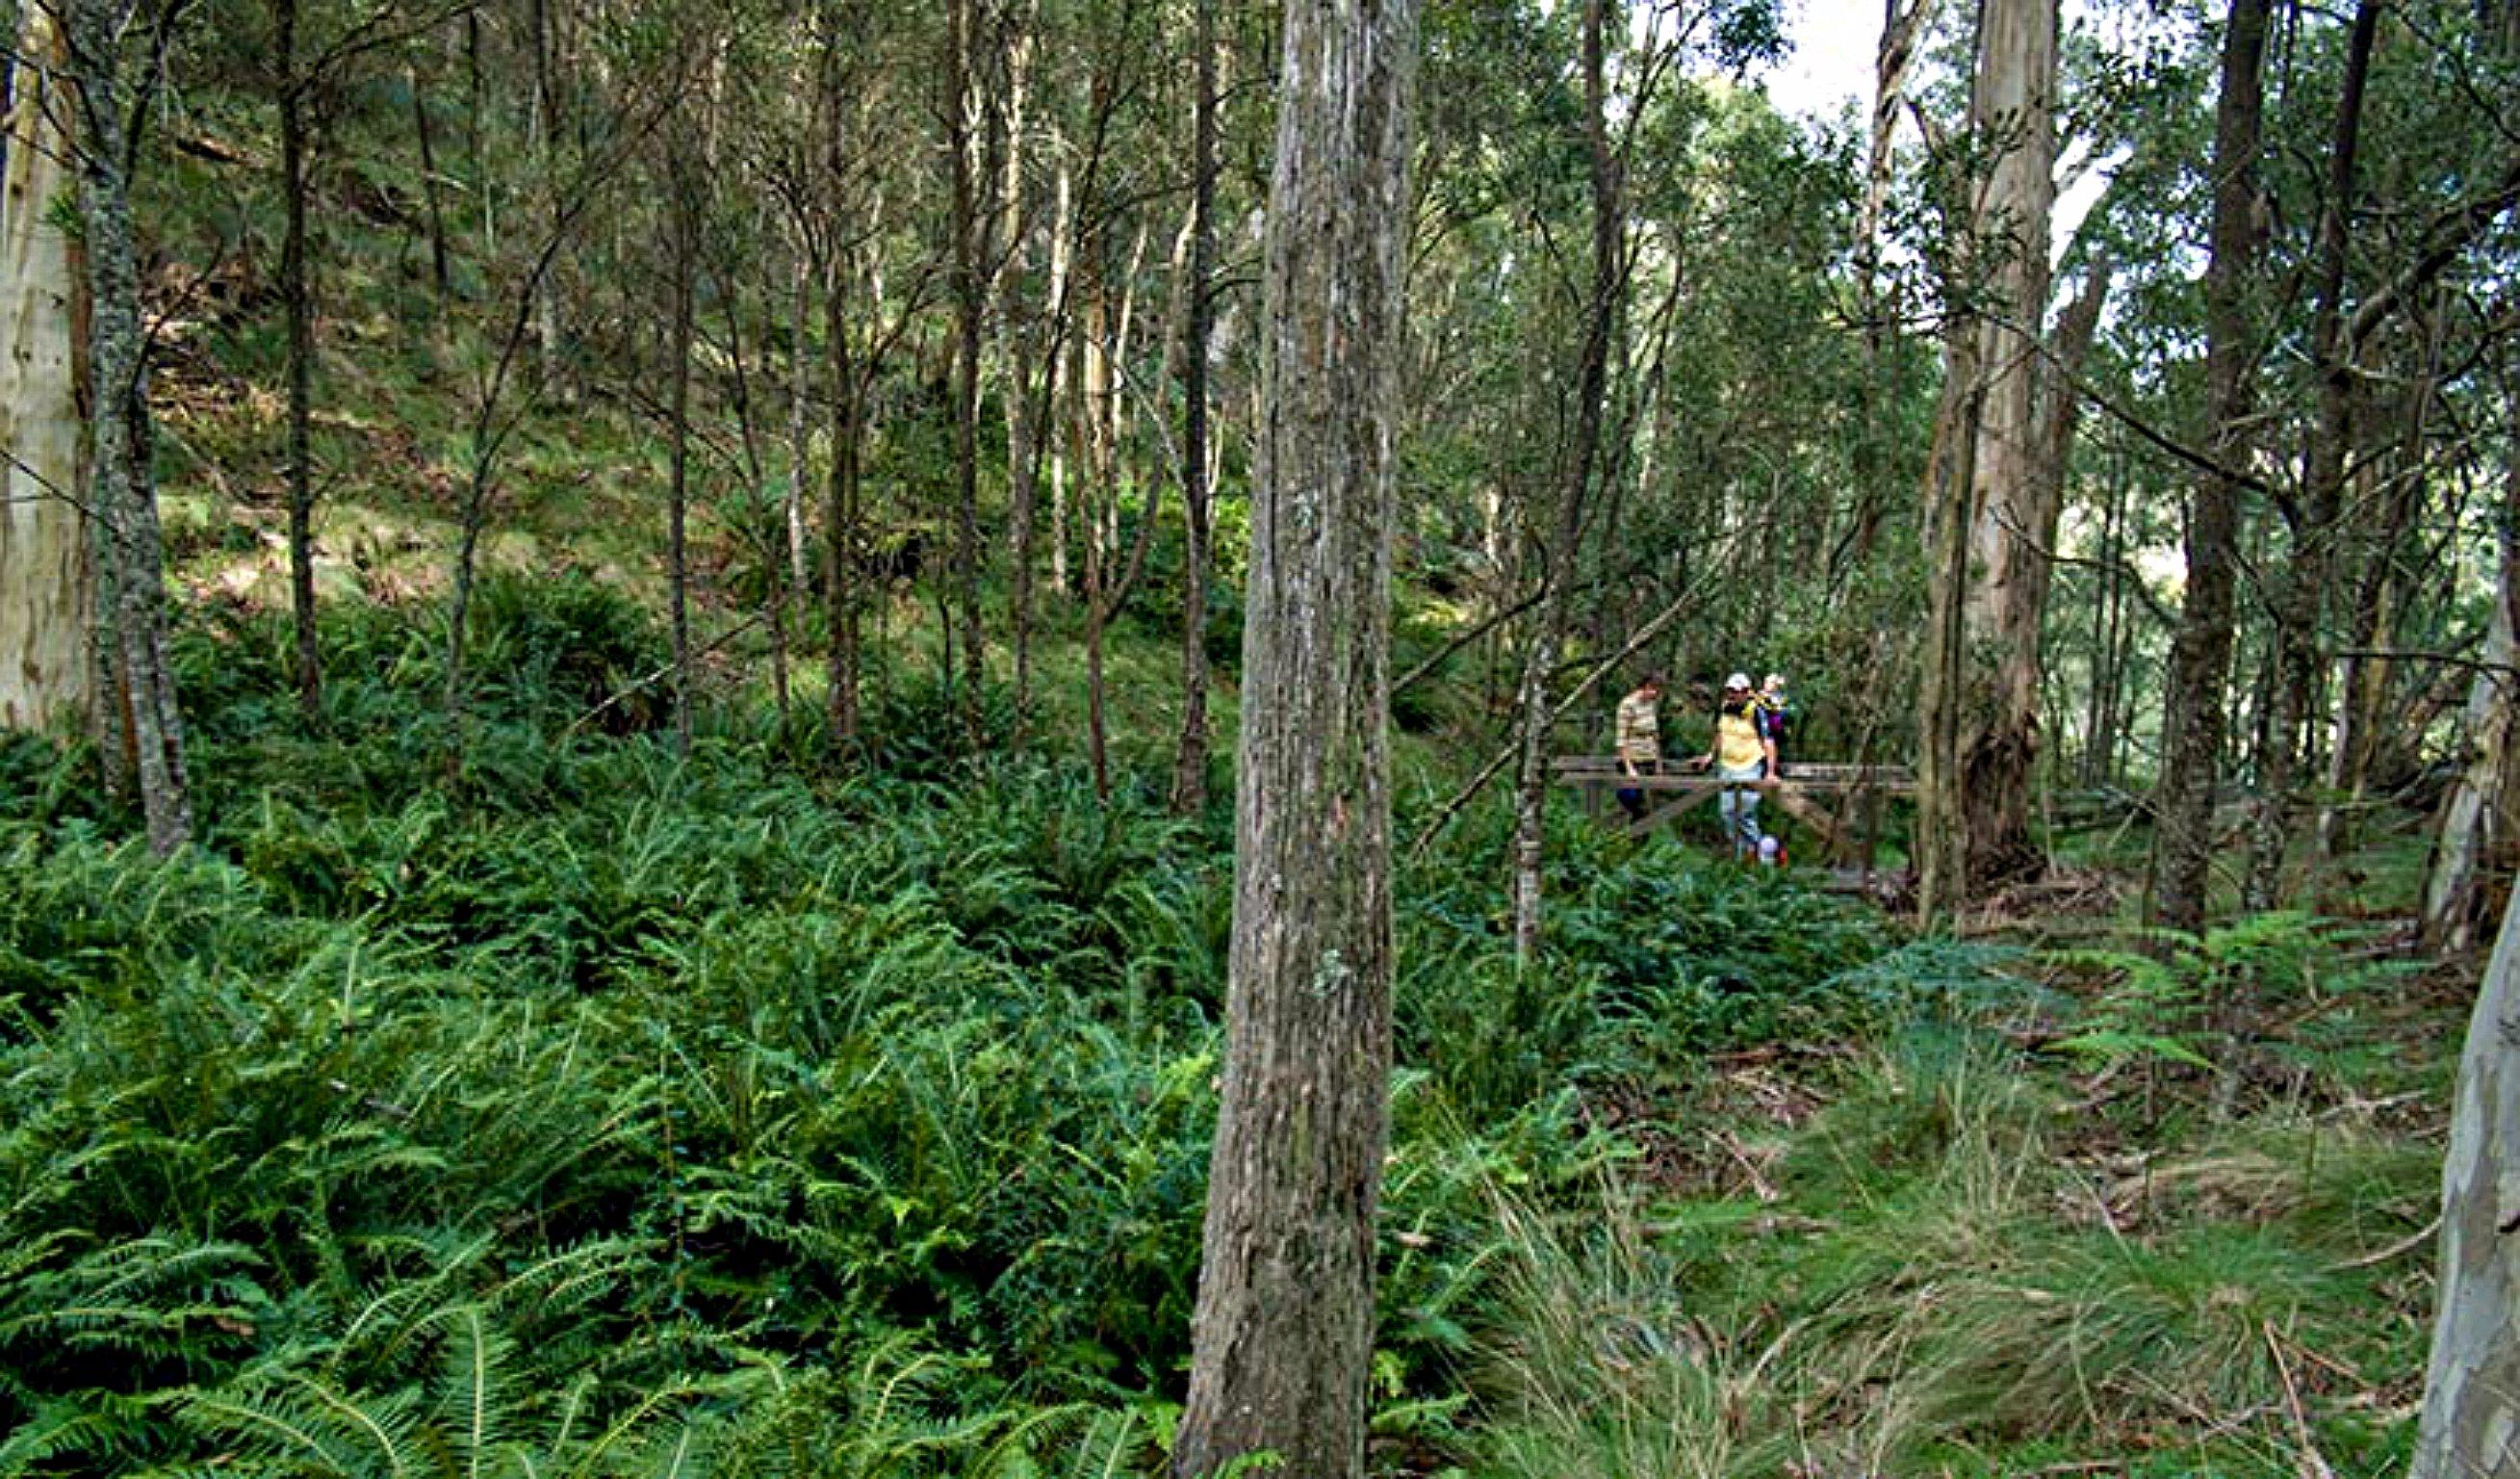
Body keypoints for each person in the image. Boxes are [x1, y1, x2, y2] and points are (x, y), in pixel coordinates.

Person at [1690, 671, 1779, 859]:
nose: (1732, 695)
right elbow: (1721, 733)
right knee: (1727, 814)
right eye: (1729, 690)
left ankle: (1759, 855)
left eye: (1736, 691)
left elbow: (1768, 741)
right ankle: (1741, 858)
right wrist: (1710, 755)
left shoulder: (1756, 712)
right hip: (1727, 766)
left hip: (1750, 765)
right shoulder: (1725, 709)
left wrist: (1770, 772)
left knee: (1745, 813)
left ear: (1746, 692)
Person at [1613, 673, 1664, 822]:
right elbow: (1621, 739)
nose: (1654, 693)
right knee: (1631, 797)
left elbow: (1655, 734)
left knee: (1645, 807)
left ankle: (1636, 840)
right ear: (1644, 686)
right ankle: (1627, 835)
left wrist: (1658, 762)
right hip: (1632, 758)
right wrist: (1629, 768)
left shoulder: (1650, 704)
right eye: (1652, 689)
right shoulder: (1627, 705)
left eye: (1658, 691)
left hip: (1648, 757)